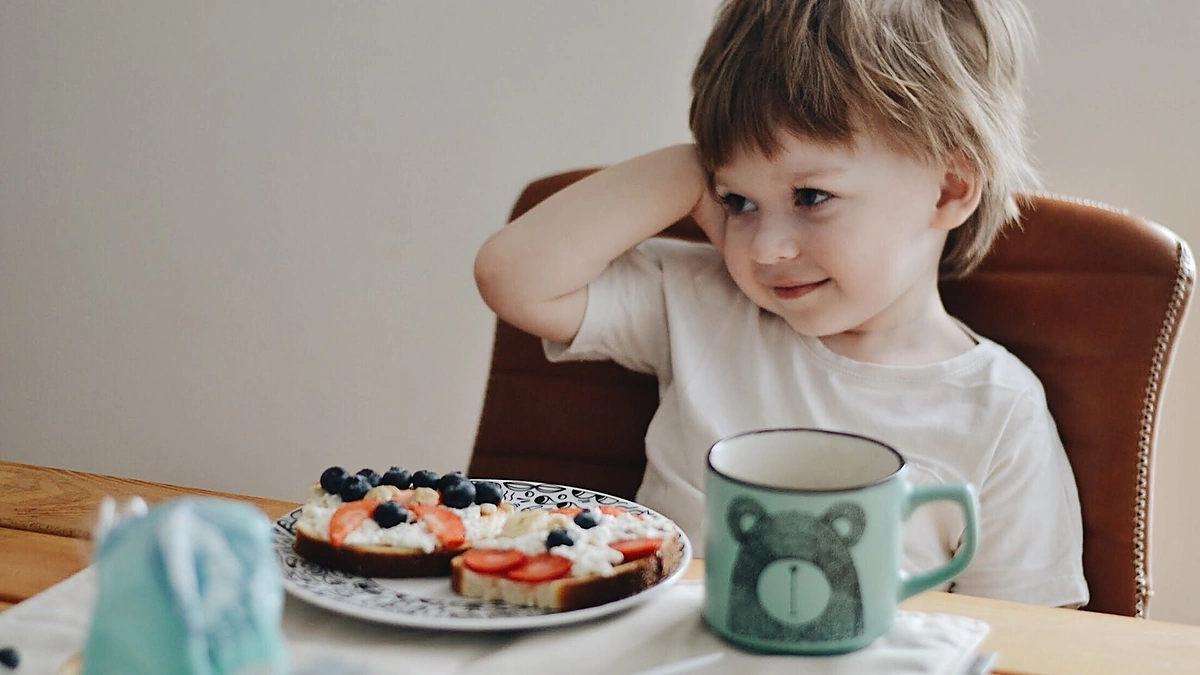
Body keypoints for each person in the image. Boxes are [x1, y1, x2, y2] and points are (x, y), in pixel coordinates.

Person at [474, 0, 1087, 608]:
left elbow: (1030, 641)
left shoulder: (1000, 413)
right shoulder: (703, 303)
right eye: (737, 202)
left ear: (949, 188)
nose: (766, 248)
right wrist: (695, 165)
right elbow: (513, 277)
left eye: (812, 195)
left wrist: (738, 173)